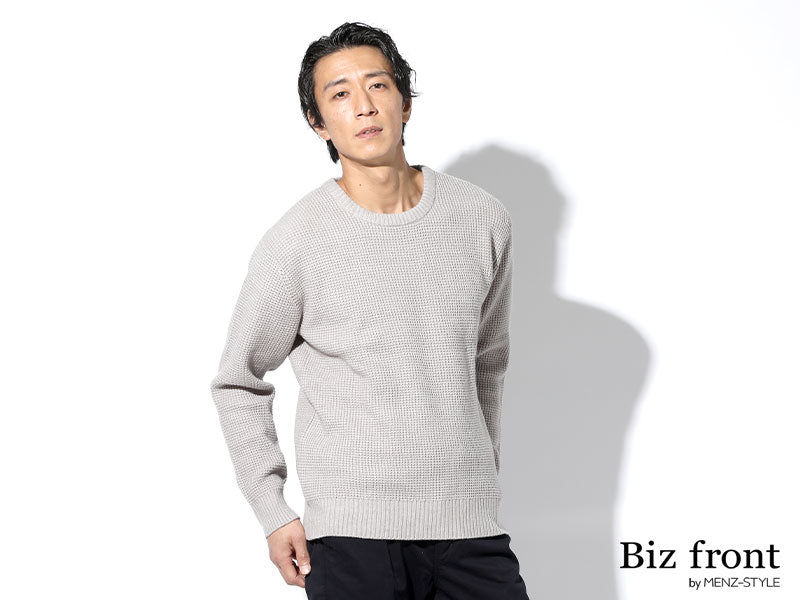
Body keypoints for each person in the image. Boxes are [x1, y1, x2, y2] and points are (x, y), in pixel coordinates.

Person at [209, 21, 529, 599]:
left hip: (469, 529)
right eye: (340, 94)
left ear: (405, 102)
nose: (363, 106)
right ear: (318, 122)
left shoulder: (483, 219)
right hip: (351, 537)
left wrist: (477, 490)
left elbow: (488, 363)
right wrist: (273, 511)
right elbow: (238, 380)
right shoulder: (297, 240)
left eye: (378, 85)